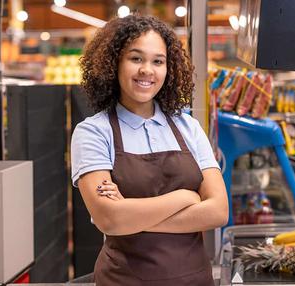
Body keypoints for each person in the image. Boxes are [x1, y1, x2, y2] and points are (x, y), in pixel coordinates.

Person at [71, 14, 228, 286]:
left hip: (194, 280)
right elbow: (109, 218)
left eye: (158, 61)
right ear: (114, 63)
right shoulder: (93, 132)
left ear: (169, 69)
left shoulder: (187, 126)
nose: (147, 70)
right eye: (136, 58)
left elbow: (218, 212)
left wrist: (129, 219)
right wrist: (185, 197)